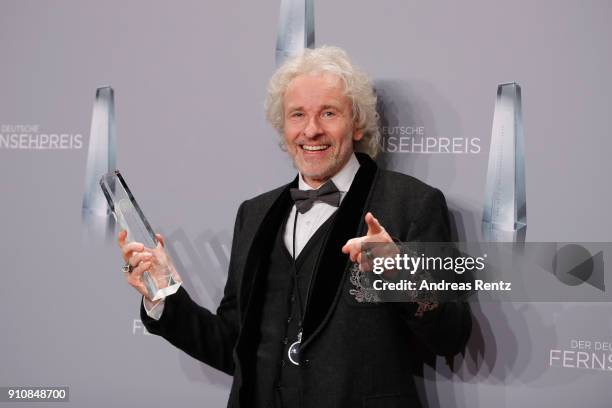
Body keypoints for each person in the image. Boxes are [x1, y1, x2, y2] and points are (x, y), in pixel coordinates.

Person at [118, 46, 471, 408]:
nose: (311, 130)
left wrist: (402, 277)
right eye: (297, 115)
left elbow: (452, 335)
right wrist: (162, 294)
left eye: (329, 113)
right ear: (283, 127)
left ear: (358, 123)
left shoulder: (411, 203)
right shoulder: (254, 215)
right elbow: (234, 348)